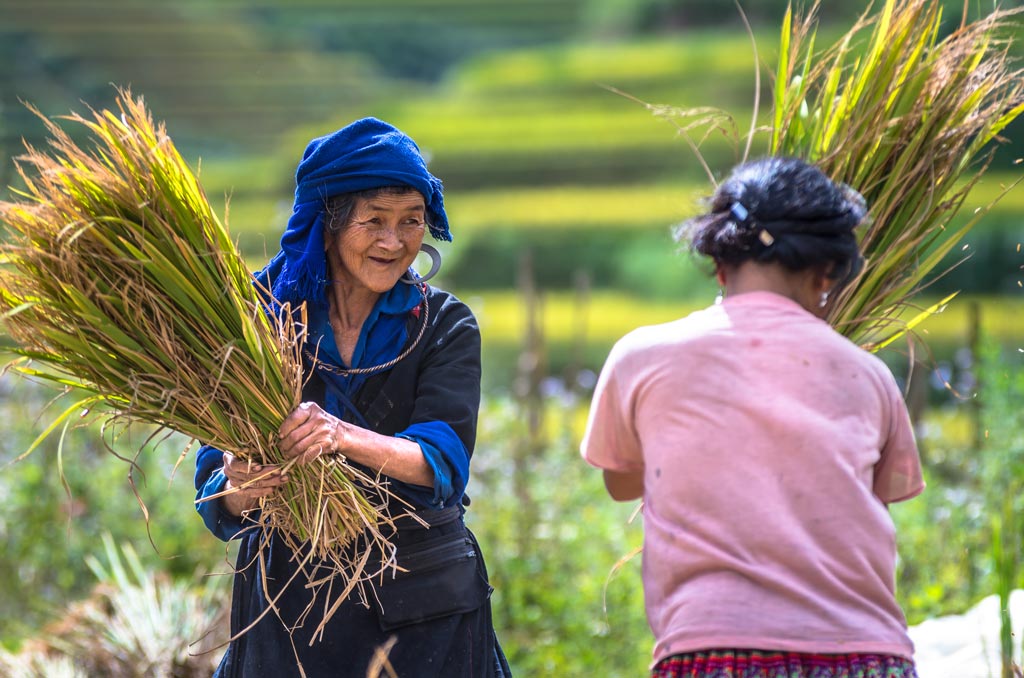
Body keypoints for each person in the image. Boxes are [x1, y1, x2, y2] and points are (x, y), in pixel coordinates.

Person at [580, 157, 924, 678]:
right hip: (866, 657)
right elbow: (875, 494)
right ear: (826, 272)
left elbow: (621, 481)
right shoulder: (869, 375)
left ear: (719, 263)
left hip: (713, 654)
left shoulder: (642, 357)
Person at [193, 118, 511, 678]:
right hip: (287, 611)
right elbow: (214, 492)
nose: (395, 242)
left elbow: (441, 463)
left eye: (412, 222)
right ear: (329, 223)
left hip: (422, 611)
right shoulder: (258, 322)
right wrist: (243, 485)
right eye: (374, 222)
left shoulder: (444, 325)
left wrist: (338, 435)